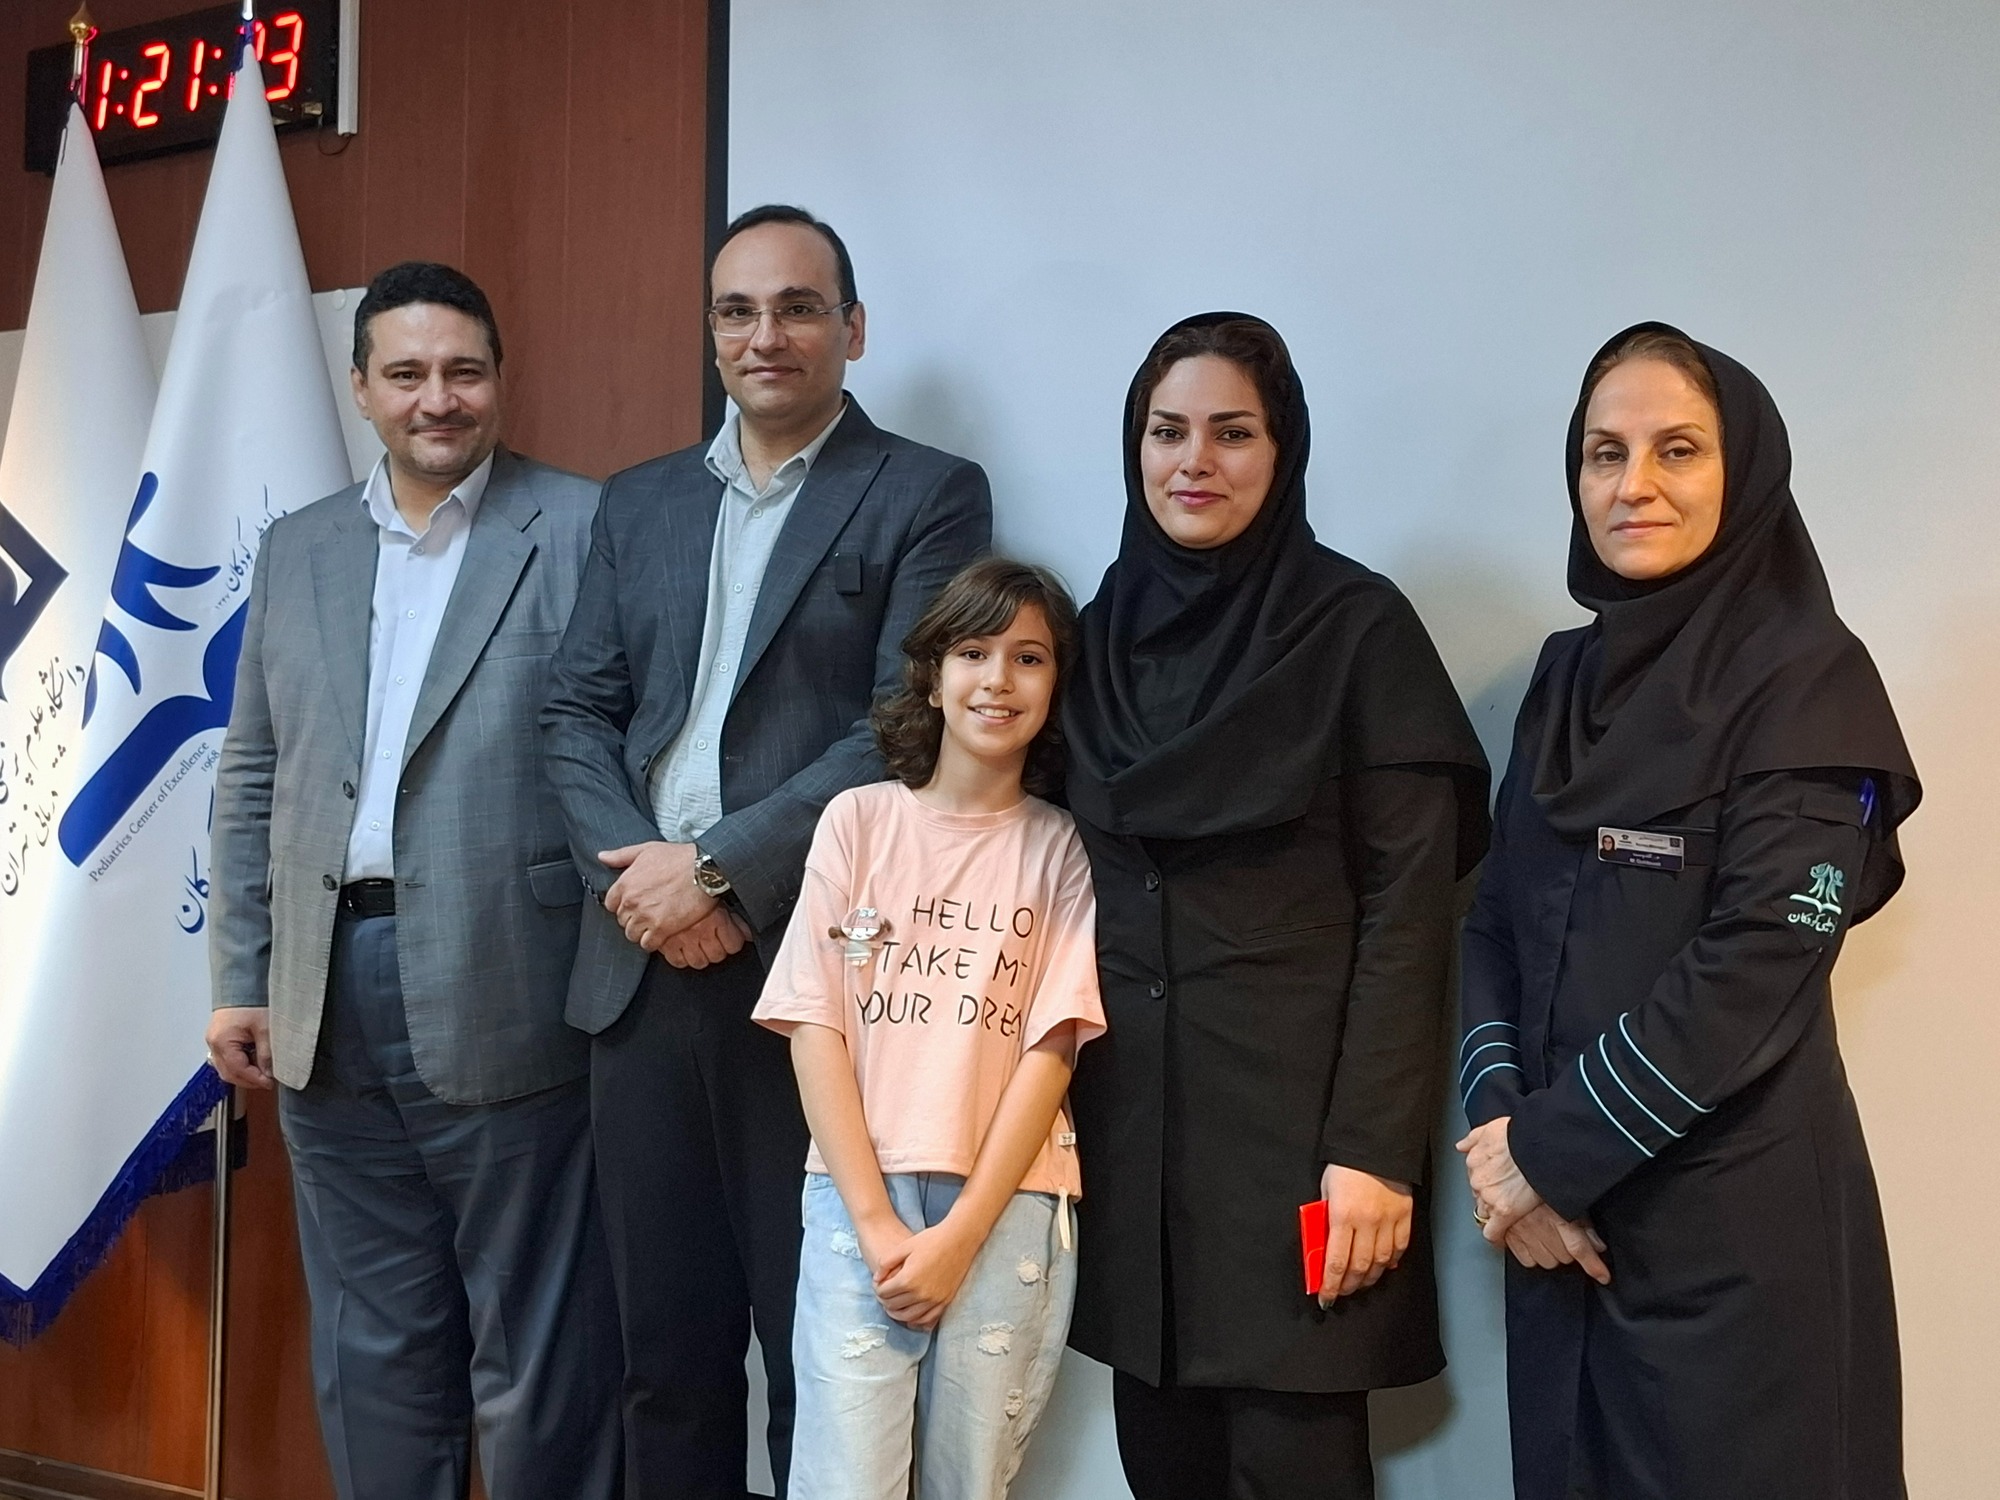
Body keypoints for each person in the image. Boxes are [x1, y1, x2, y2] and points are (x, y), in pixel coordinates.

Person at [539, 204, 993, 1497]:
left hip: (810, 978)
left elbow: (905, 722)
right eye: (737, 310)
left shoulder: (925, 493)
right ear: (711, 332)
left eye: (798, 307)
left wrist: (719, 869)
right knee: (662, 1356)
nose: (765, 335)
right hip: (637, 971)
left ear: (852, 328)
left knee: (822, 1352)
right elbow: (574, 711)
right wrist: (645, 880)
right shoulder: (640, 503)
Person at [1456, 322, 1921, 1500]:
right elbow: (1494, 918)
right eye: (1603, 453)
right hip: (1557, 1238)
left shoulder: (1806, 677)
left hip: (1729, 1241)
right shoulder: (1563, 677)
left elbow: (1759, 958)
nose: (1633, 485)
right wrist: (1504, 1143)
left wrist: (1545, 1156)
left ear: (1743, 468)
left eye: (1676, 449)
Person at [206, 261, 620, 1500]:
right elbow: (254, 770)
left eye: (463, 371)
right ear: (360, 389)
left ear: (500, 379)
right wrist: (240, 976)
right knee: (372, 1344)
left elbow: (625, 756)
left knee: (538, 1348)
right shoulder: (298, 547)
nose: (437, 398)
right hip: (321, 994)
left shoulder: (585, 527)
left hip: (514, 981)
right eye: (406, 374)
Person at [1062, 313, 1491, 1500]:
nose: (1192, 462)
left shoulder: (1355, 630)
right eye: (1166, 432)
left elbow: (1409, 913)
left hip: (1302, 1149)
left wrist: (1372, 1155)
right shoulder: (1093, 638)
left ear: (1283, 447)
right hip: (1133, 1142)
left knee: (1294, 1465)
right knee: (1162, 1464)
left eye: (1231, 432)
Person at [753, 557, 1105, 1499]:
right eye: (973, 651)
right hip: (854, 1198)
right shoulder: (858, 822)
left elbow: (1053, 1049)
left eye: (1028, 657)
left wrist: (960, 1236)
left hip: (1010, 1203)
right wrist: (875, 1224)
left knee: (969, 1481)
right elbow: (813, 1022)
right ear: (934, 673)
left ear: (1057, 685)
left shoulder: (1063, 846)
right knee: (844, 1480)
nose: (998, 679)